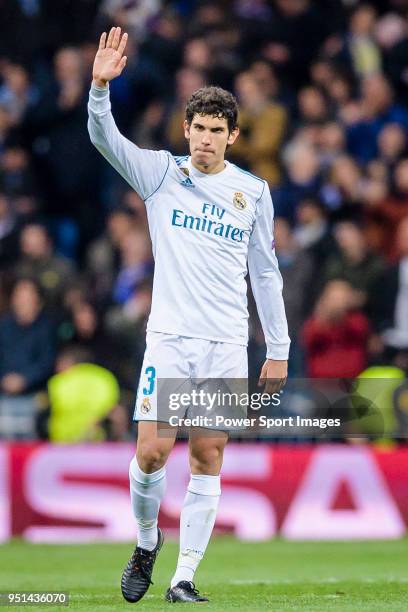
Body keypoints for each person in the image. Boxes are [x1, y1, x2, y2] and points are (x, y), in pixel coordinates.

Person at [88, 27, 289, 605]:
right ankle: (148, 543)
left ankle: (183, 578)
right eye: (197, 128)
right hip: (171, 340)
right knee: (151, 452)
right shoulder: (160, 175)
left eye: (215, 130)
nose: (204, 139)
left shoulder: (252, 191)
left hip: (225, 343)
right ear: (186, 130)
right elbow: (104, 139)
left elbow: (266, 274)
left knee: (209, 455)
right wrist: (100, 88)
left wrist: (277, 348)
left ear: (232, 135)